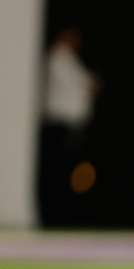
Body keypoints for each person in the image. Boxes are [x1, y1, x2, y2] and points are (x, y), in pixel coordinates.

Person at [38, 26, 98, 228]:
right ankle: (54, 216)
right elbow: (82, 84)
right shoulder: (57, 58)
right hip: (58, 125)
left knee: (70, 173)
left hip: (71, 127)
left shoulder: (71, 60)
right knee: (57, 172)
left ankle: (64, 215)